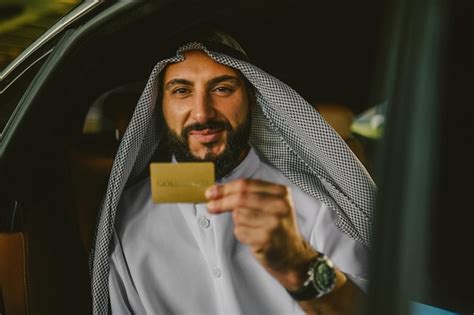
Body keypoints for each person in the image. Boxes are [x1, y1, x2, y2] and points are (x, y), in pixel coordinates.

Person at [90, 30, 376, 315]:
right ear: (159, 107)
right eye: (181, 91)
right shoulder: (125, 218)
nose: (202, 113)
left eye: (222, 89)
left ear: (251, 100)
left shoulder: (315, 202)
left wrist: (299, 263)